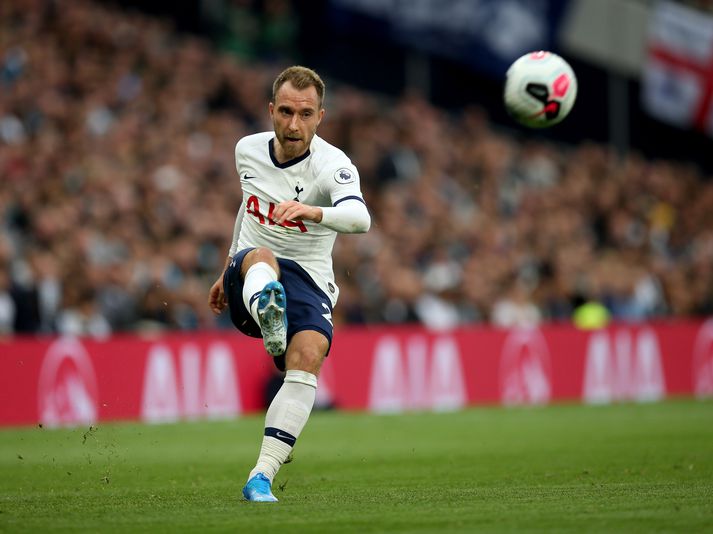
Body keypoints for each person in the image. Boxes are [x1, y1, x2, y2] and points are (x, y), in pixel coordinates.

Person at [208, 66, 370, 502]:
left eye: (305, 114)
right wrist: (228, 266)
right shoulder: (247, 150)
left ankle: (261, 475)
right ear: (270, 111)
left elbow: (360, 218)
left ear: (321, 116)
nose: (293, 124)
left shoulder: (333, 165)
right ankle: (267, 307)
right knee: (262, 257)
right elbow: (247, 206)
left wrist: (311, 211)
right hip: (253, 269)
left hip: (309, 279)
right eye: (285, 112)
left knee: (309, 355)